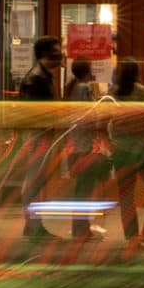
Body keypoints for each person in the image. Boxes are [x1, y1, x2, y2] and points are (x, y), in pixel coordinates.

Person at [107, 58, 144, 250]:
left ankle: (131, 237)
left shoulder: (113, 93)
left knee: (126, 195)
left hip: (121, 150)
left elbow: (105, 119)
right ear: (137, 72)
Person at [17, 35, 67, 242]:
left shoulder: (42, 76)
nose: (61, 54)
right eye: (57, 51)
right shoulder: (36, 79)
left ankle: (34, 225)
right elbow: (33, 113)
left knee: (36, 181)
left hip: (42, 135)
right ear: (45, 54)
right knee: (34, 182)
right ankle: (33, 226)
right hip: (39, 136)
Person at [62, 58, 108, 239]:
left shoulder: (72, 87)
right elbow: (91, 115)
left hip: (75, 143)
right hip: (83, 145)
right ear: (87, 70)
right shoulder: (84, 88)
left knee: (81, 187)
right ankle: (81, 229)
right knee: (84, 188)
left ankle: (80, 228)